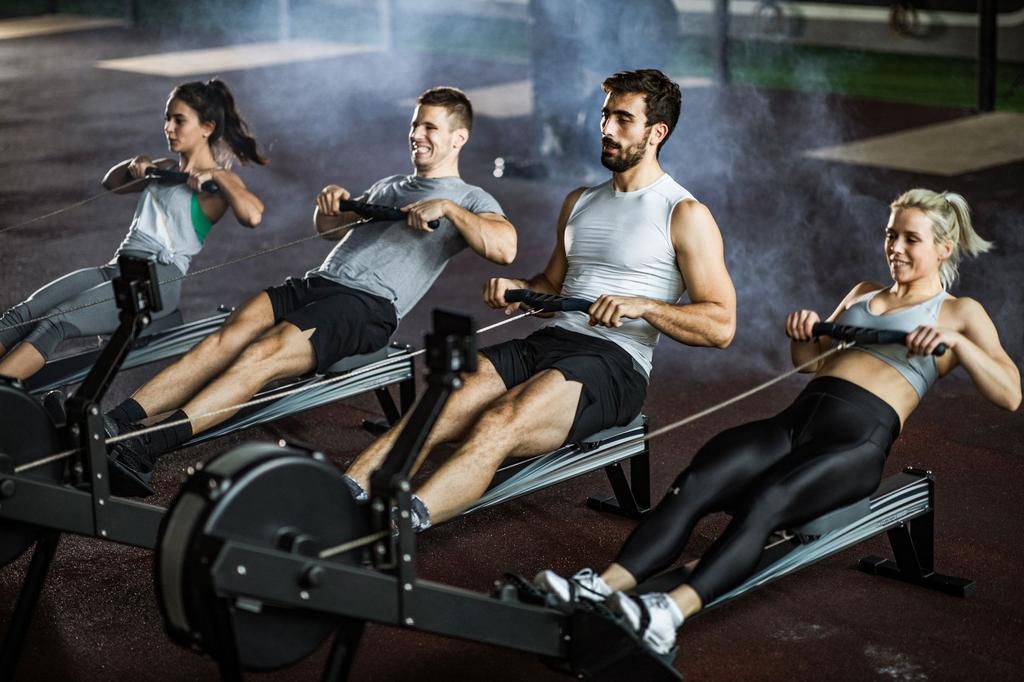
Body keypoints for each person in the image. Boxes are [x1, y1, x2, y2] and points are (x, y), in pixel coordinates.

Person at [533, 188, 1021, 655]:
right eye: (891, 235)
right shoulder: (864, 292)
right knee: (700, 478)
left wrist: (957, 345)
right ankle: (601, 586)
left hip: (854, 442)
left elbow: (1010, 394)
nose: (895, 247)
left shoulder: (958, 313)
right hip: (796, 421)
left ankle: (667, 616)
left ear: (944, 247)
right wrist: (804, 332)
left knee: (768, 502)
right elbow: (810, 363)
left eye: (910, 239)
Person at [343, 69, 737, 531]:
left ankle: (394, 530)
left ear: (657, 133)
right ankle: (340, 495)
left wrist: (644, 306)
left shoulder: (683, 213)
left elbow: (721, 325)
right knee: (437, 405)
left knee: (498, 422)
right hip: (549, 340)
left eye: (623, 119)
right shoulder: (580, 202)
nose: (606, 129)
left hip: (614, 364)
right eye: (605, 115)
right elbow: (554, 286)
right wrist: (519, 291)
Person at [103, 86, 516, 497]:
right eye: (414, 125)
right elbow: (329, 231)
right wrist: (331, 203)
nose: (417, 134)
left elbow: (504, 247)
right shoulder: (391, 186)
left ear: (458, 138)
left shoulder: (470, 198)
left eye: (430, 126)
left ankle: (145, 449)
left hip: (365, 307)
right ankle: (114, 423)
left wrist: (447, 209)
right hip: (317, 282)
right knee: (223, 340)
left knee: (260, 355)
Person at [0, 79, 267, 381]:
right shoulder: (165, 167)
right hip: (118, 268)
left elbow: (253, 215)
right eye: (167, 118)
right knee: (20, 316)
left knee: (57, 321)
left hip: (156, 280)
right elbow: (111, 183)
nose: (169, 127)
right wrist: (134, 165)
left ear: (206, 127)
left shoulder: (217, 184)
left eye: (179, 120)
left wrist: (219, 178)